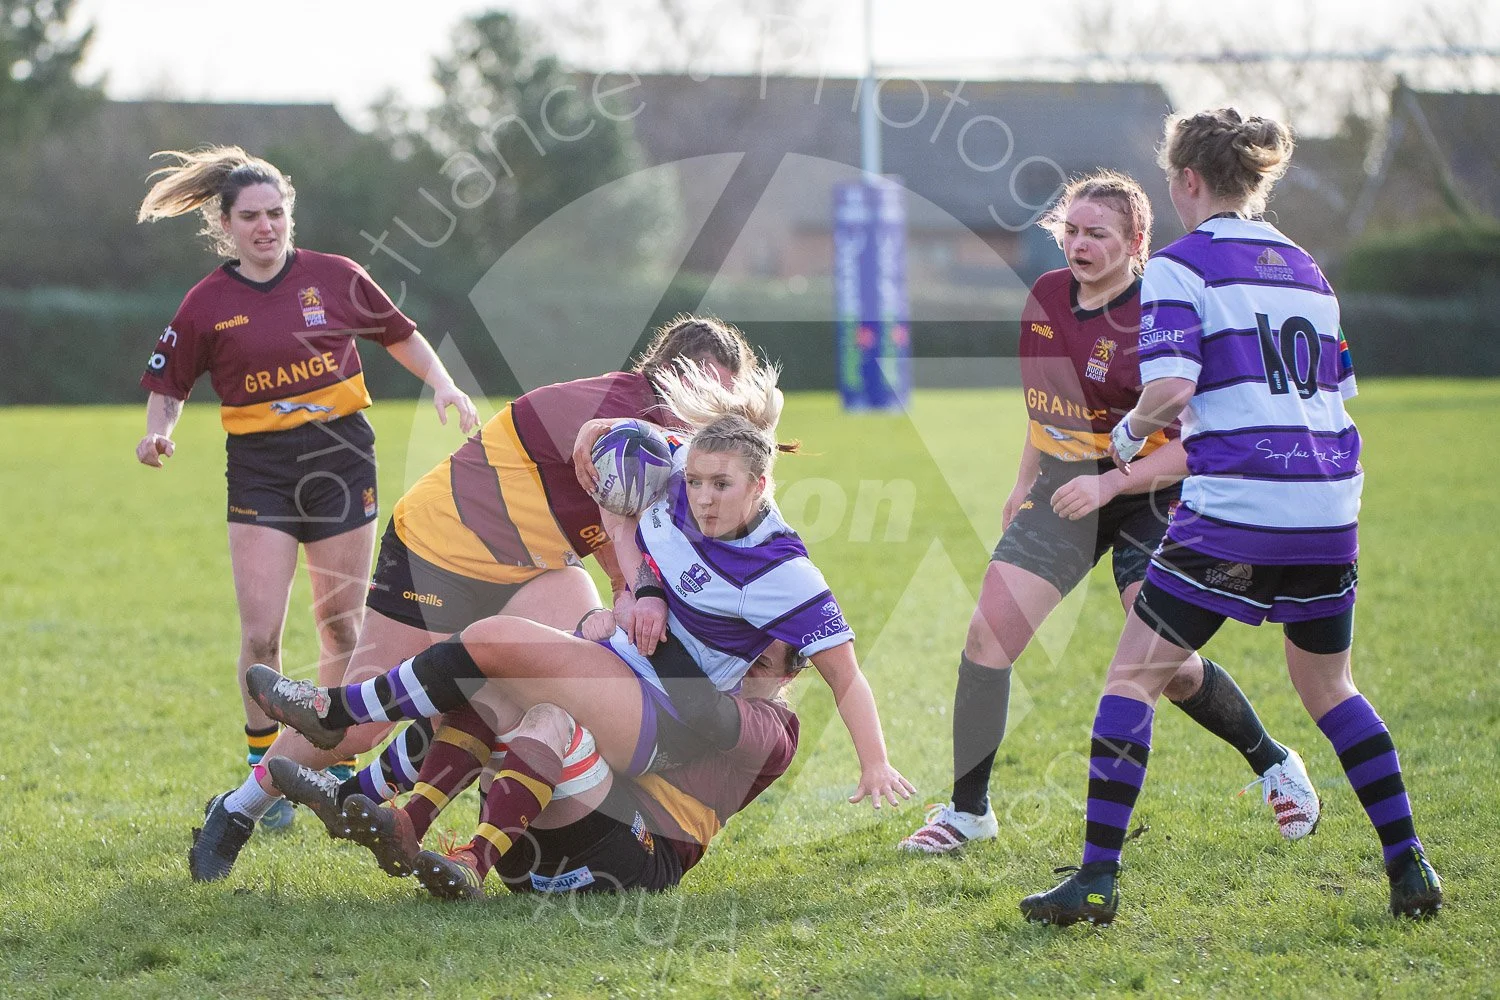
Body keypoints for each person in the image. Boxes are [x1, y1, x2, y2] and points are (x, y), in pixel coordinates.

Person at [1020, 109, 1442, 926]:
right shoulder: (1309, 269)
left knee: (1131, 680)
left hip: (1241, 506)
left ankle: (1098, 880)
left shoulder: (1181, 268)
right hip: (1329, 504)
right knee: (1330, 686)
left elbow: (1172, 389)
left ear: (1185, 181)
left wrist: (1130, 436)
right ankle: (1409, 862)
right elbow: (1331, 391)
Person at [188, 316, 758, 880]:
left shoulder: (667, 435)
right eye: (716, 388)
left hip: (530, 567)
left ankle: (464, 832)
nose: (721, 409)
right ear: (676, 374)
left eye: (729, 396)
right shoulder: (636, 417)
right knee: (364, 727)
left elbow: (613, 516)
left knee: (581, 674)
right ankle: (239, 809)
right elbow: (621, 494)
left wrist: (627, 591)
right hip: (440, 550)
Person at [247, 362, 914, 818]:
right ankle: (373, 806)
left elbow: (846, 676)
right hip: (628, 665)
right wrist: (639, 588)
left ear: (760, 486)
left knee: (491, 651)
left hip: (671, 711)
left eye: (721, 487)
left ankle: (341, 717)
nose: (702, 499)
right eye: (697, 481)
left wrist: (875, 763)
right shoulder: (686, 475)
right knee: (491, 694)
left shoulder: (786, 575)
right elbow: (609, 453)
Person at [900, 170, 1318, 854]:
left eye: (1098, 233)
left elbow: (1192, 449)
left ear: (1136, 242)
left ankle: (1276, 763)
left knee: (1166, 664)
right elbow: (1048, 410)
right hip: (1067, 488)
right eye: (1071, 231)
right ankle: (968, 812)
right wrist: (1022, 483)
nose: (1080, 244)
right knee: (987, 637)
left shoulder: (1162, 312)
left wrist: (1110, 484)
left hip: (1156, 495)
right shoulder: (1043, 297)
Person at [136, 147, 478, 830]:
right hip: (261, 472)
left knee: (342, 623)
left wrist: (442, 383)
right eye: (251, 217)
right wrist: (158, 432)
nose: (266, 227)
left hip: (342, 463)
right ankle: (264, 773)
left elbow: (400, 335)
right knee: (261, 635)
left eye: (276, 213)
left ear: (289, 214)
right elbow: (169, 382)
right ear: (225, 225)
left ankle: (335, 754)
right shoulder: (208, 302)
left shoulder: (336, 277)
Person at [270, 641, 806, 899]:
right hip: (530, 859)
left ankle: (466, 860)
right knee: (487, 688)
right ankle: (411, 824)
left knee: (551, 718)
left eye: (758, 664)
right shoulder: (714, 680)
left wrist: (644, 612)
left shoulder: (772, 732)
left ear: (788, 675)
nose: (740, 668)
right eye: (740, 652)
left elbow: (704, 713)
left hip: (634, 864)